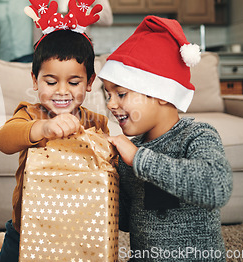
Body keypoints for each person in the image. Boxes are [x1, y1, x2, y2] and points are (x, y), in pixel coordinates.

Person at [97, 15, 233, 261]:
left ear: (160, 93)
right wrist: (106, 177)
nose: (111, 104)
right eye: (108, 94)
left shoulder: (197, 136)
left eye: (121, 93)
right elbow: (126, 221)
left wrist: (139, 159)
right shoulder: (129, 153)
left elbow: (217, 188)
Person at [0, 0, 109, 262]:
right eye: (50, 81)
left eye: (74, 82)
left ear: (90, 83)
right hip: (25, 228)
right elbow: (4, 140)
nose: (62, 91)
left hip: (78, 228)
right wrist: (41, 129)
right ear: (34, 81)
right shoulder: (31, 114)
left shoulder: (96, 123)